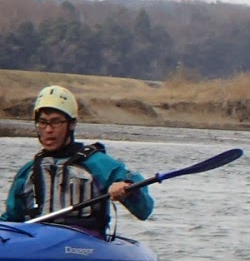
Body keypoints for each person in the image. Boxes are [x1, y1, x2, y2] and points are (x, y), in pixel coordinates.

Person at [4, 85, 155, 233]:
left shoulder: (97, 163)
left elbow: (145, 210)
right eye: (43, 122)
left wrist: (127, 189)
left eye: (56, 122)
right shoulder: (27, 172)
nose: (48, 129)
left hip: (84, 241)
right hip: (37, 241)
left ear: (72, 124)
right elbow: (10, 221)